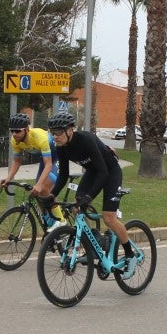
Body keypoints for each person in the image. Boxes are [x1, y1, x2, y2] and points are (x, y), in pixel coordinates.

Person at [46, 111, 140, 276]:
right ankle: (93, 244)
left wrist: (89, 197)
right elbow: (62, 175)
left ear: (70, 130)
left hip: (110, 172)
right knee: (77, 207)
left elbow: (103, 172)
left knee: (109, 217)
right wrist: (51, 196)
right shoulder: (60, 146)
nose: (55, 136)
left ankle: (130, 255)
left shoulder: (86, 140)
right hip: (92, 172)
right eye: (52, 133)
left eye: (59, 132)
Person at [0, 113, 64, 228]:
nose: (14, 134)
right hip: (45, 160)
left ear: (26, 129)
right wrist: (8, 178)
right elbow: (17, 162)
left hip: (57, 158)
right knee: (37, 193)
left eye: (18, 131)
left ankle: (62, 222)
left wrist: (39, 185)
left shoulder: (40, 137)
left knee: (44, 189)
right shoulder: (15, 141)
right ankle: (51, 224)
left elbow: (48, 164)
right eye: (12, 131)